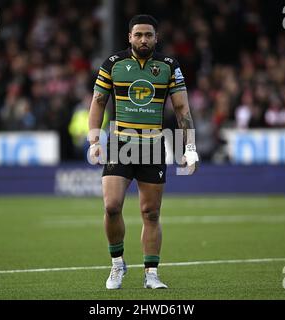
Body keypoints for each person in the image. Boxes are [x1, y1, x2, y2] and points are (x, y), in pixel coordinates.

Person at [88, 14, 199, 290]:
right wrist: (94, 140)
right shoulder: (113, 64)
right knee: (111, 206)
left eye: (148, 35)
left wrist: (190, 147)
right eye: (138, 35)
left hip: (151, 146)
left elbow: (182, 110)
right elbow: (98, 102)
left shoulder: (168, 66)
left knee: (150, 213)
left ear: (156, 38)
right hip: (120, 144)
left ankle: (151, 273)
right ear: (129, 37)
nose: (143, 39)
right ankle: (117, 264)